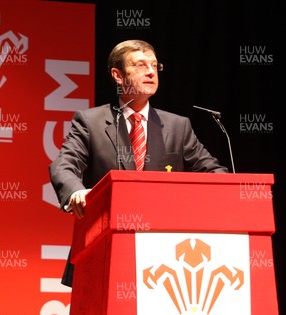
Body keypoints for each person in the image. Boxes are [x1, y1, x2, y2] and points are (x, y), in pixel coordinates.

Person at [49, 39, 227, 287]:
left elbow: (213, 173)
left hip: (164, 262)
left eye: (155, 66)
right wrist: (76, 191)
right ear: (118, 75)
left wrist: (234, 196)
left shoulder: (177, 127)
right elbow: (64, 165)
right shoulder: (91, 122)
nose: (151, 72)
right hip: (104, 251)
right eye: (141, 65)